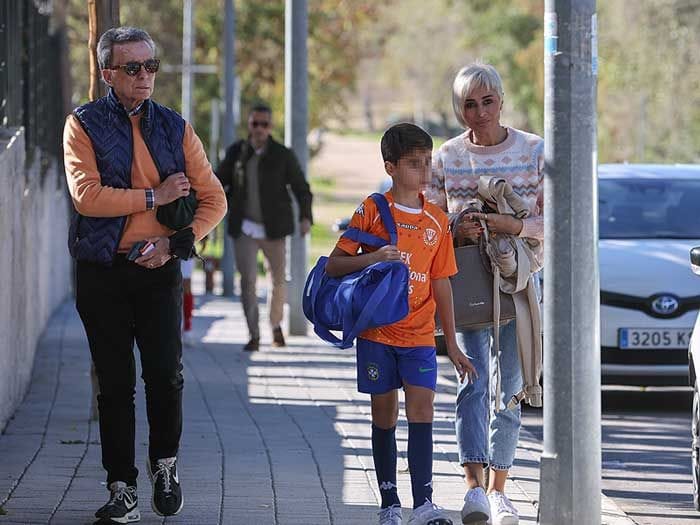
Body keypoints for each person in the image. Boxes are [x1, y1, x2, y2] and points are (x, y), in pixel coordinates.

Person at [63, 26, 227, 523]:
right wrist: (155, 197)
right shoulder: (83, 124)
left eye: (150, 66)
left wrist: (174, 244)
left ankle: (166, 468)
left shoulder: (176, 127)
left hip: (159, 270)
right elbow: (86, 196)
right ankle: (121, 488)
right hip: (103, 272)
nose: (144, 77)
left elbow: (214, 200)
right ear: (107, 73)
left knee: (165, 377)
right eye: (132, 68)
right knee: (114, 384)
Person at [326, 123, 476, 525]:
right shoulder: (372, 210)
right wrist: (374, 258)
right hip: (377, 334)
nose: (424, 171)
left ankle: (424, 503)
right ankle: (389, 503)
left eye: (427, 162)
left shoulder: (437, 219)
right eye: (413, 163)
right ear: (390, 166)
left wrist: (454, 343)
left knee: (423, 410)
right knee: (384, 416)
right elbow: (336, 264)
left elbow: (442, 281)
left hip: (420, 336)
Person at [427, 63, 544, 525]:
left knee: (510, 387)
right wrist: (460, 228)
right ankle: (473, 488)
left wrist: (506, 225)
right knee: (471, 383)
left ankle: (500, 489)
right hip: (468, 281)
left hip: (518, 283)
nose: (479, 113)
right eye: (468, 105)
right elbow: (433, 222)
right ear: (459, 109)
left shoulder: (534, 150)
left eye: (487, 102)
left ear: (501, 101)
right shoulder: (448, 156)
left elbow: (550, 222)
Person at [216, 103, 313, 351]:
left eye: (264, 124)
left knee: (278, 280)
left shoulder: (282, 154)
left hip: (274, 228)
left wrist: (305, 217)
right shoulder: (238, 152)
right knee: (247, 281)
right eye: (254, 124)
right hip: (244, 228)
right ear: (249, 125)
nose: (259, 129)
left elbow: (301, 188)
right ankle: (253, 334)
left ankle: (275, 325)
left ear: (270, 127)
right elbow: (217, 184)